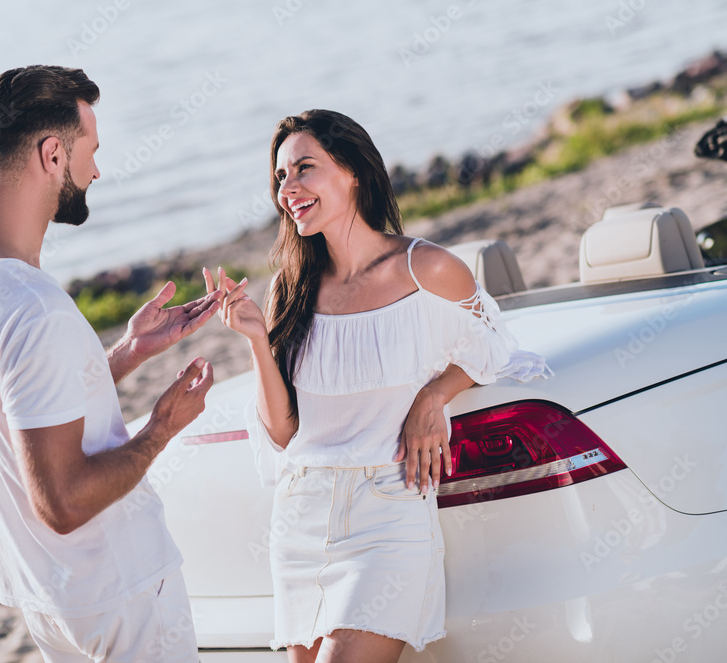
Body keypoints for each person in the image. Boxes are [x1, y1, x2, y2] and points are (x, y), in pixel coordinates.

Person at [207, 109, 551, 662]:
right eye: (280, 178)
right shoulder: (289, 290)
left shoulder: (428, 269)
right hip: (302, 514)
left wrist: (434, 394)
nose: (288, 189)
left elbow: (496, 348)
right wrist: (254, 339)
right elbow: (283, 431)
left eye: (304, 169)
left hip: (387, 513)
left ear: (353, 173)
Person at [0, 65, 223, 662]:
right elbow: (63, 503)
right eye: (90, 151)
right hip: (122, 593)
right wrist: (162, 428)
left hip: (51, 602)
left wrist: (127, 354)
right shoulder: (34, 310)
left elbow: (26, 409)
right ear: (53, 153)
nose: (96, 171)